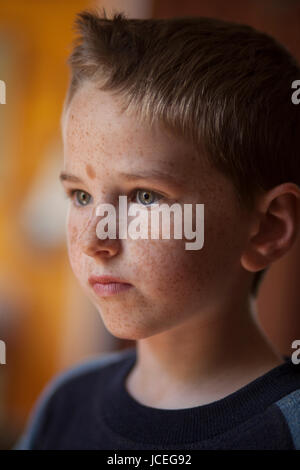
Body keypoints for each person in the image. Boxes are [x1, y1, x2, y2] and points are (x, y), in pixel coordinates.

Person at [14, 9, 300, 450]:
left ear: (267, 227)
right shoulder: (64, 401)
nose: (94, 240)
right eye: (81, 196)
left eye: (145, 196)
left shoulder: (288, 431)